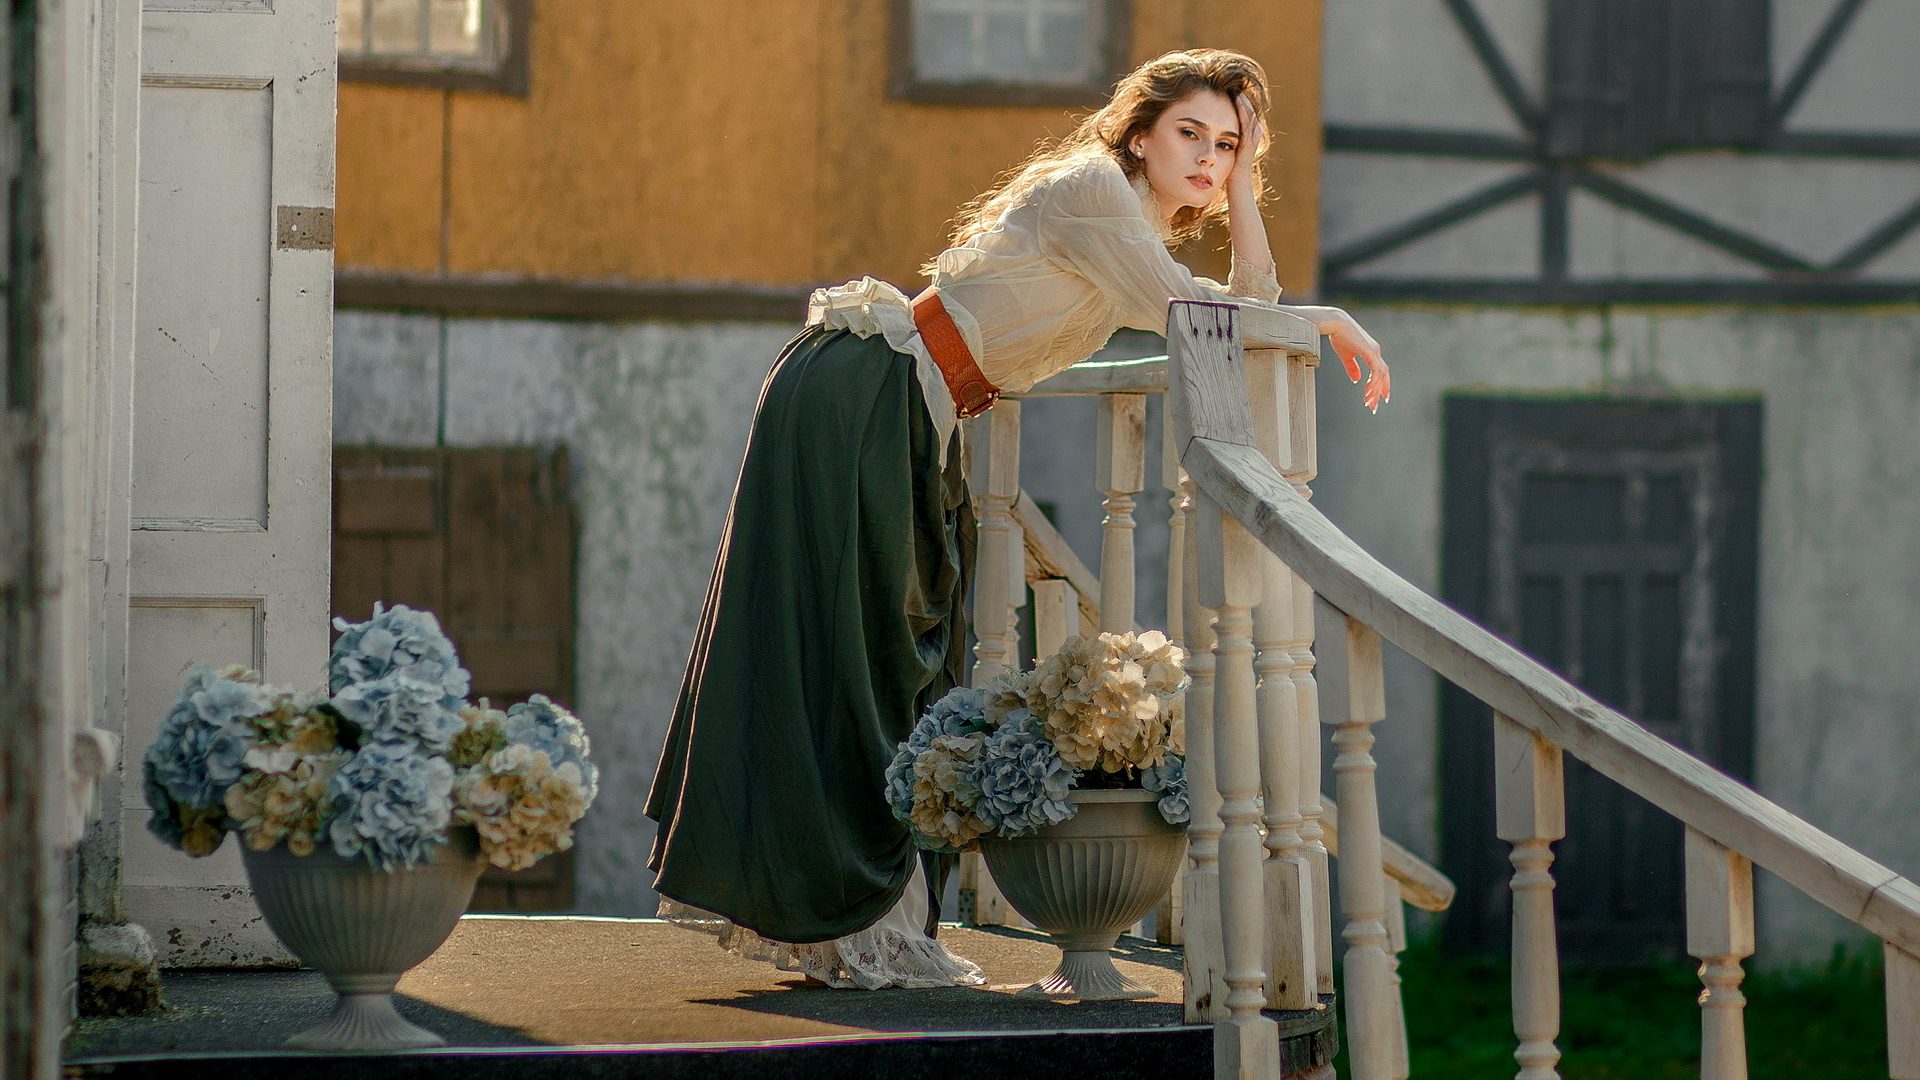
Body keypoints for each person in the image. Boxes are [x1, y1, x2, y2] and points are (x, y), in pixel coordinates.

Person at [644, 48, 1389, 991]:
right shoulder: (1093, 193)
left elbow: (1240, 307)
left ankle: (848, 927)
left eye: (1230, 145)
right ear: (1140, 132)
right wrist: (1329, 320)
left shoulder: (1132, 219)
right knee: (859, 660)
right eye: (1190, 133)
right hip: (863, 394)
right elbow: (1208, 318)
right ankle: (849, 926)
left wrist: (1245, 195)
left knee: (883, 659)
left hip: (899, 405)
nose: (1208, 158)